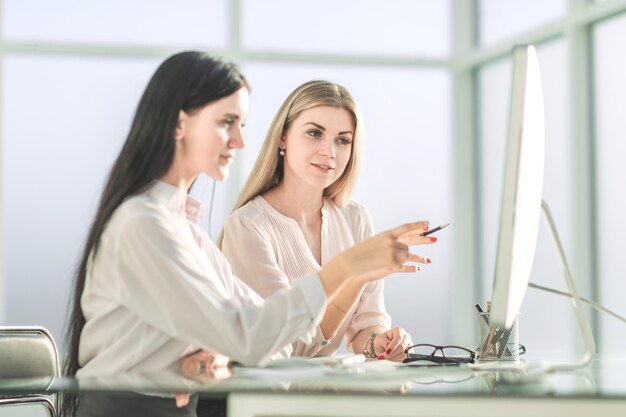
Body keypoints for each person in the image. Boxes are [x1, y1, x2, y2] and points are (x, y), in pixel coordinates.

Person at [62, 52, 428, 417]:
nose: (239, 141)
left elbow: (267, 334)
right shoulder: (144, 225)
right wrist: (348, 268)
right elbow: (252, 337)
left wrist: (220, 353)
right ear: (179, 124)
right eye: (227, 122)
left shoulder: (185, 230)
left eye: (242, 125)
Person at [219, 80, 438, 362]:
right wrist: (353, 273)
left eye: (343, 140)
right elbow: (290, 347)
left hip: (333, 396)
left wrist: (381, 341)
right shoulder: (249, 226)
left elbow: (364, 326)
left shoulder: (354, 218)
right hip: (274, 401)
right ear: (282, 137)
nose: (330, 151)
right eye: (314, 133)